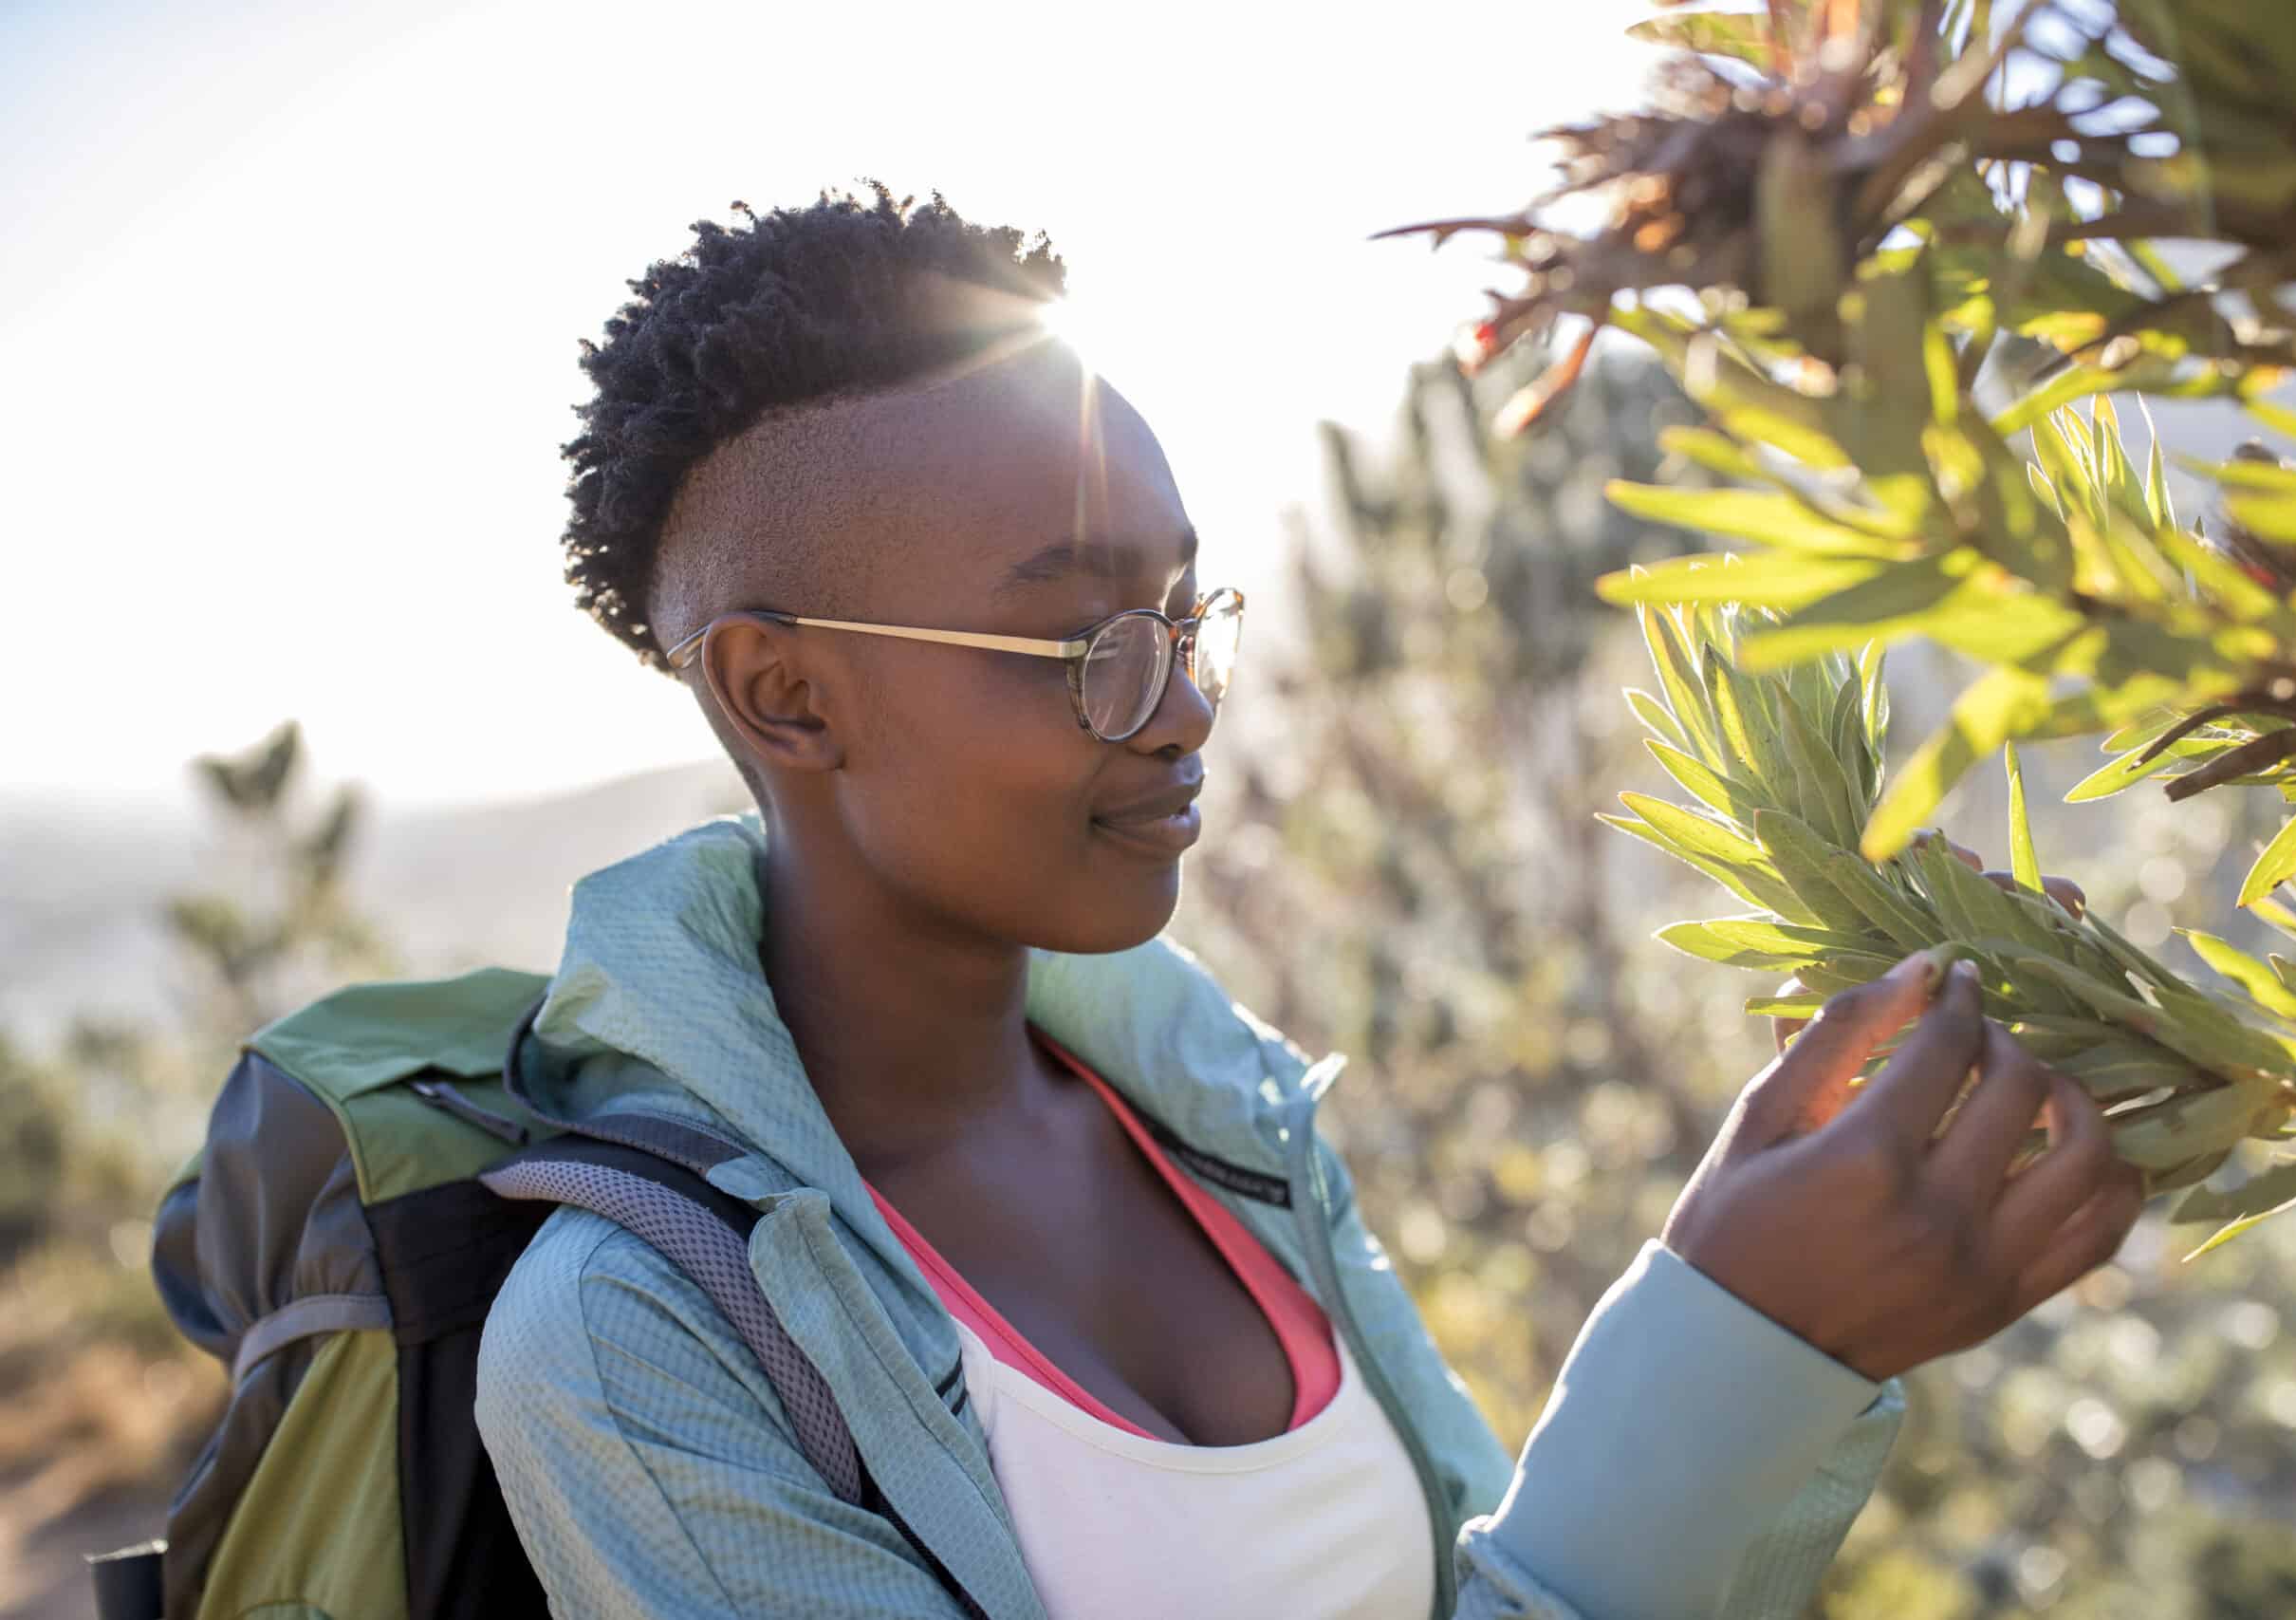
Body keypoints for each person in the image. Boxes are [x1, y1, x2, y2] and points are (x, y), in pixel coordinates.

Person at [472, 185, 2146, 1620]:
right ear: (787, 698)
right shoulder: (637, 1348)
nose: (1187, 705)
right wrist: (1742, 1349)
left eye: (1186, 616)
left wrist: (1801, 1280)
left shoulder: (1221, 1115)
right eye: (1085, 649)